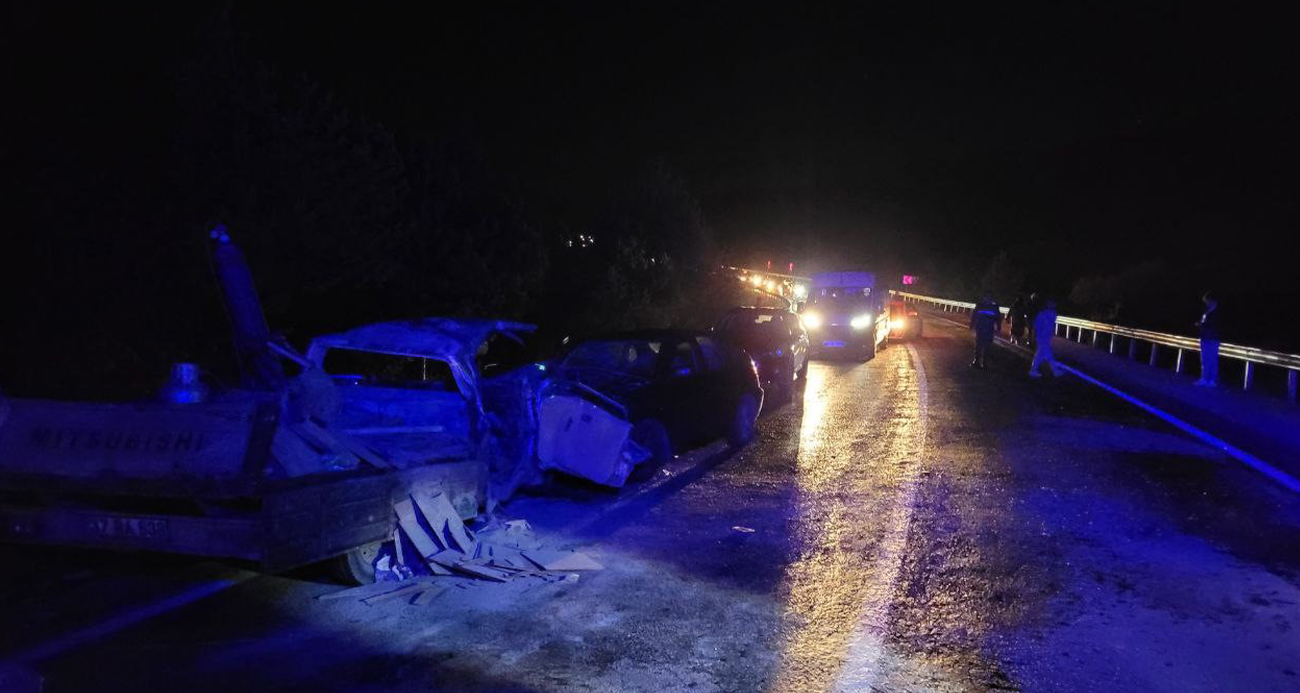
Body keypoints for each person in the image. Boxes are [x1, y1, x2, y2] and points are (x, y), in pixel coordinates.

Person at [1028, 299, 1063, 378]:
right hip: (1045, 336)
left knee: (1042, 354)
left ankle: (1034, 370)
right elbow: (1050, 325)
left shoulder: (1041, 313)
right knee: (1045, 353)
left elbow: (1036, 325)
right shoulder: (1052, 314)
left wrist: (1035, 335)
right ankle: (1055, 371)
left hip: (1041, 336)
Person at [1194, 291, 1220, 387]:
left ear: (1212, 301)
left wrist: (1202, 325)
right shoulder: (1207, 312)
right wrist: (1201, 325)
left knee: (1212, 359)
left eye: (1207, 301)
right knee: (1205, 359)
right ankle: (1205, 378)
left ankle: (1212, 380)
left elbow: (1214, 326)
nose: (1206, 303)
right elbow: (1205, 323)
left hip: (1212, 338)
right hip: (1205, 337)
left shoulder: (1216, 313)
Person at [969, 294, 1002, 369]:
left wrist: (998, 328)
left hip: (987, 329)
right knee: (980, 346)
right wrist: (972, 325)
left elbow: (998, 319)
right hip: (982, 329)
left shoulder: (991, 306)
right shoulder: (987, 306)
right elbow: (974, 316)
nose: (988, 299)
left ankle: (983, 363)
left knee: (985, 347)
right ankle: (979, 362)